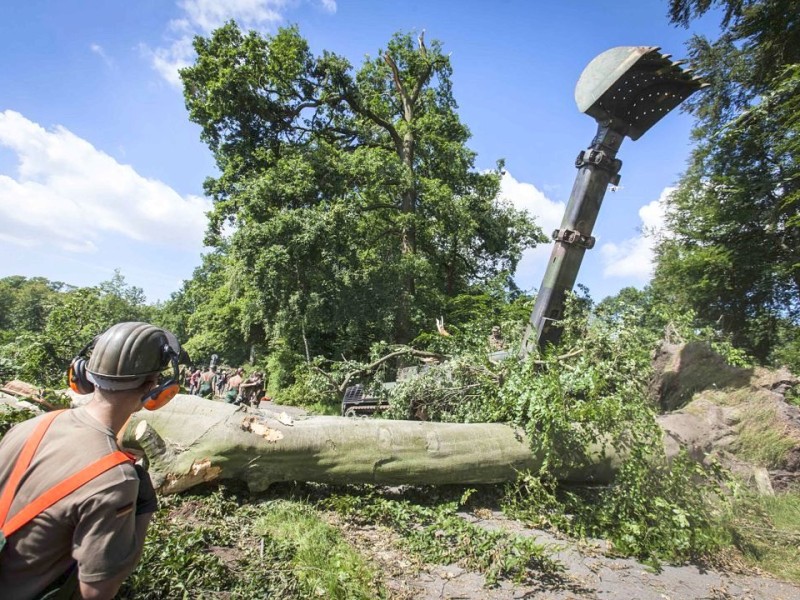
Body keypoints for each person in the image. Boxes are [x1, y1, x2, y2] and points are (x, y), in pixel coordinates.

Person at [0, 321, 182, 600]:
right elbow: (97, 591)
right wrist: (143, 512)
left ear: (84, 374)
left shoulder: (29, 427)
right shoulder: (115, 480)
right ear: (154, 388)